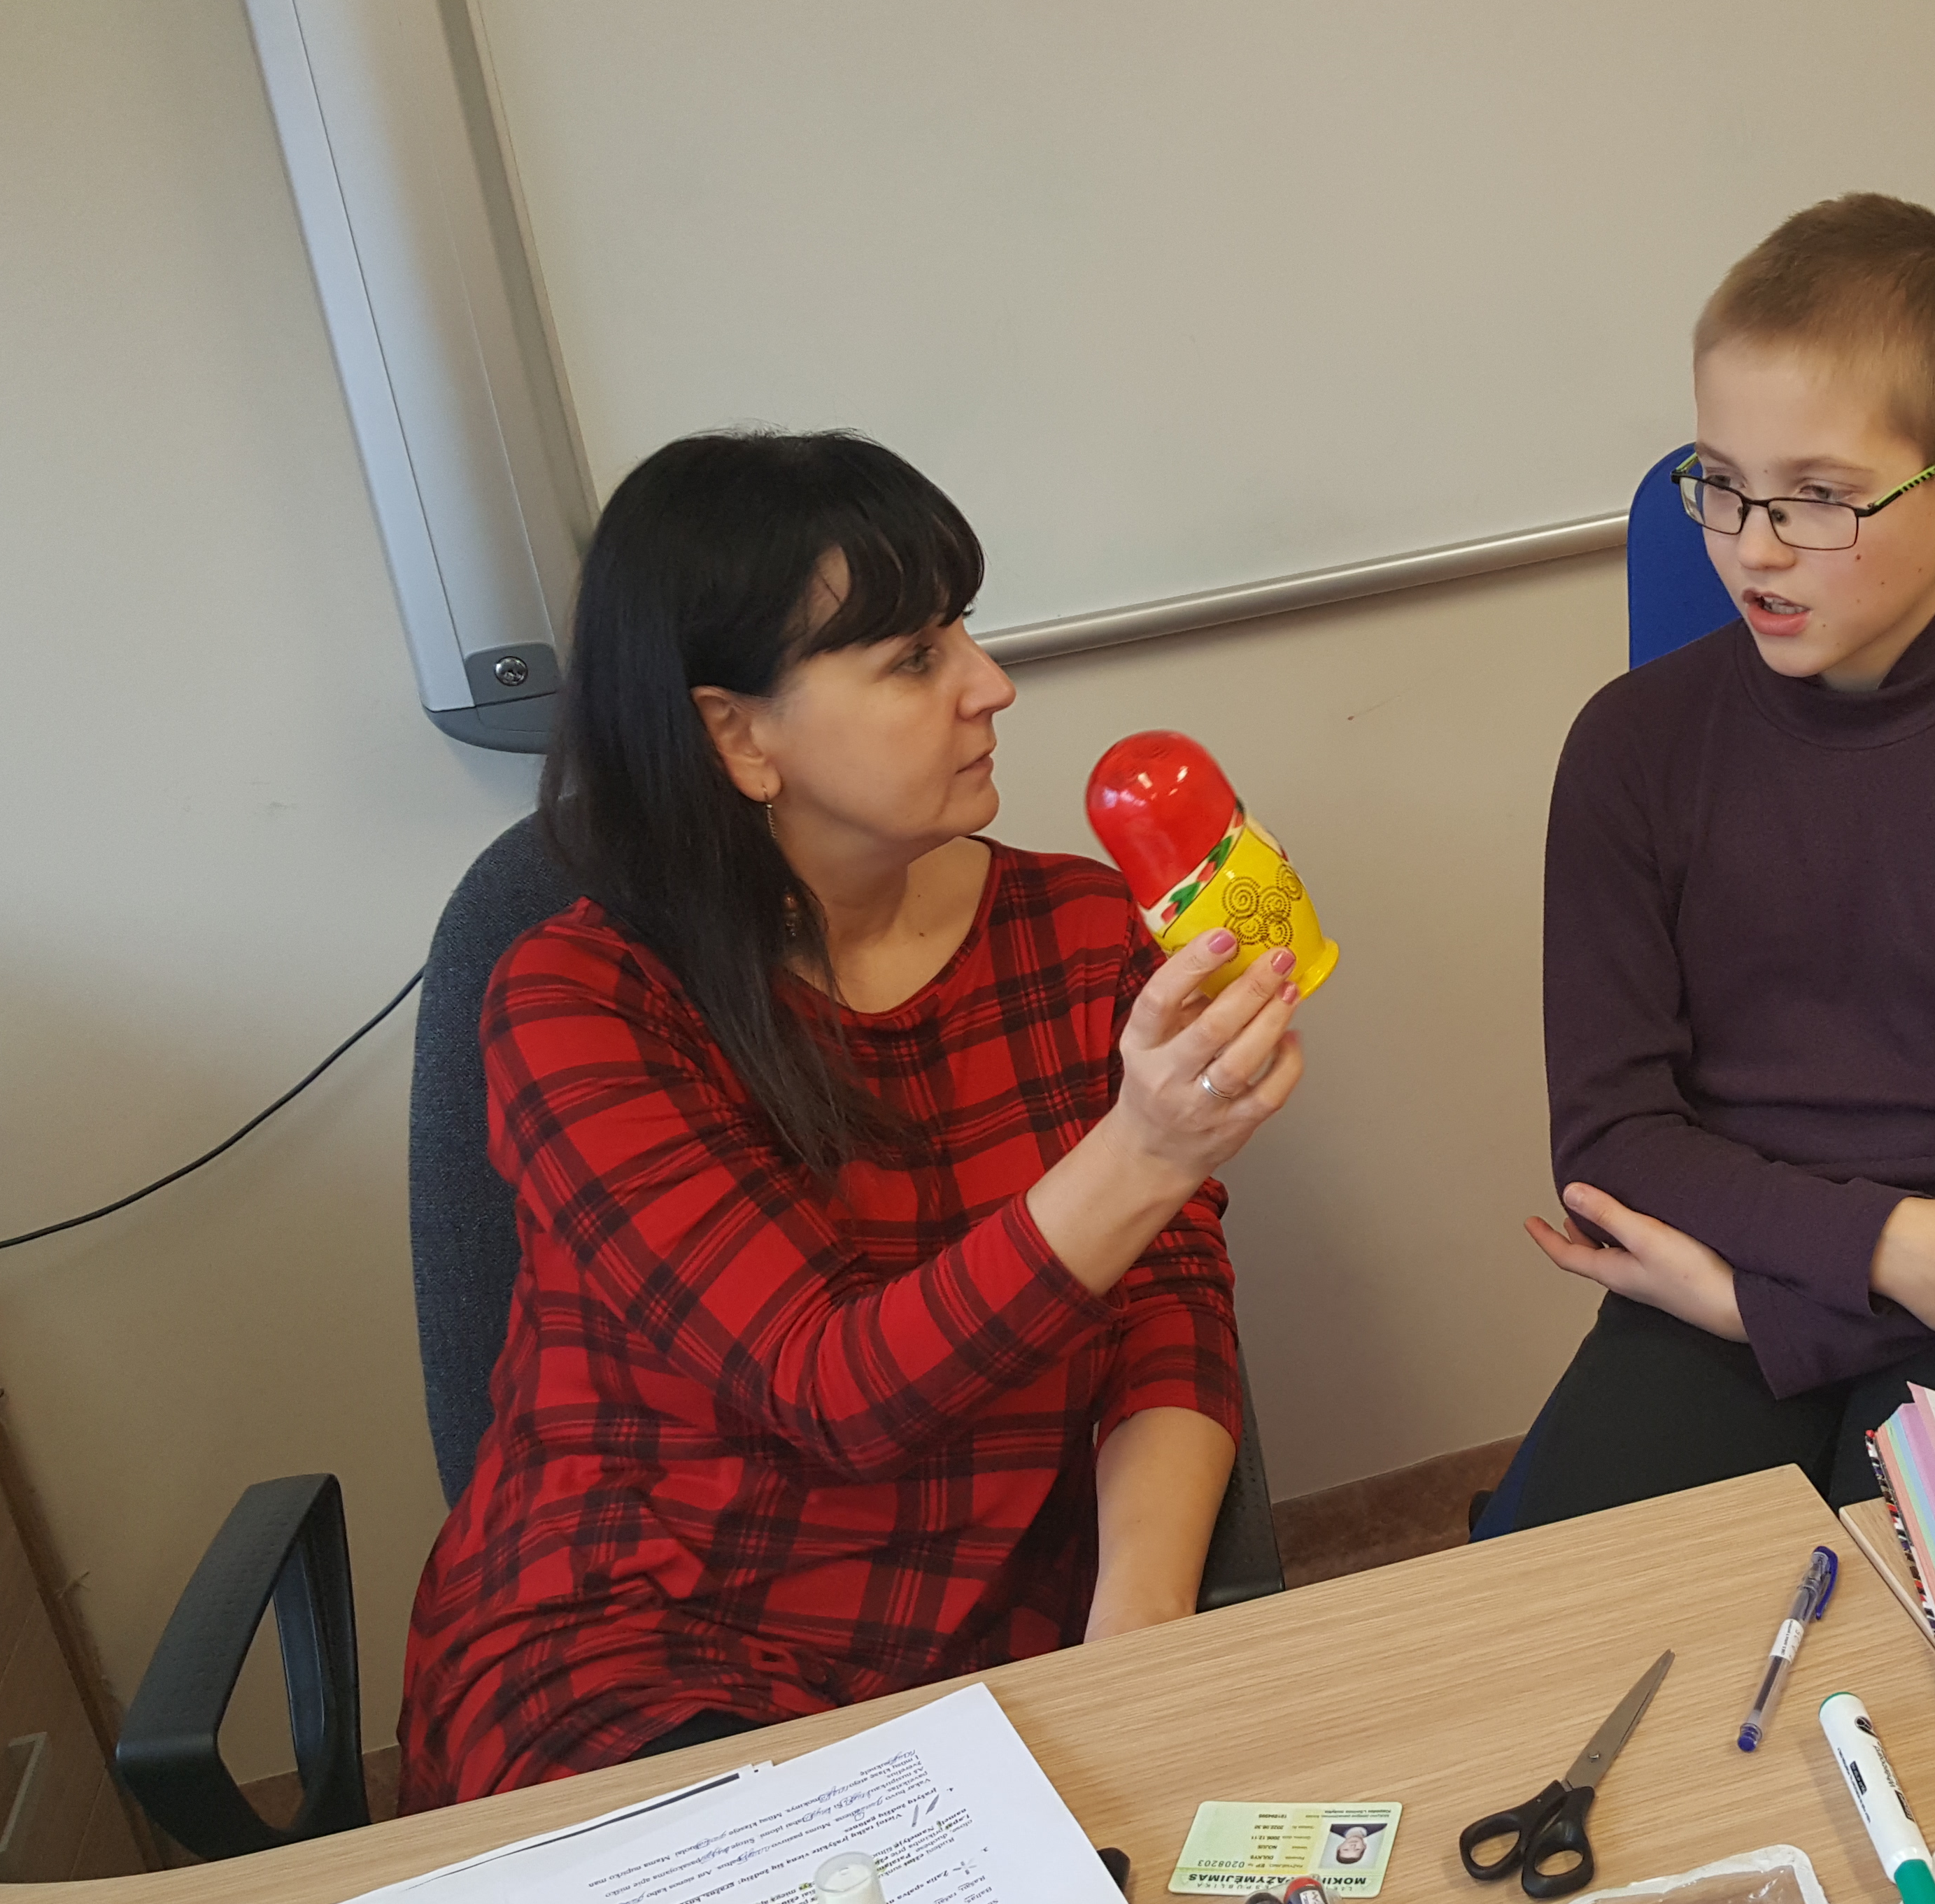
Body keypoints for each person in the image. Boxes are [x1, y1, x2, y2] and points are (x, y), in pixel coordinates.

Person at [398, 430, 1306, 1807]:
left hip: (985, 1615)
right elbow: (830, 1394)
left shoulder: (1075, 932)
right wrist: (1146, 1148)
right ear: (736, 734)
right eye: (914, 658)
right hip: (638, 1642)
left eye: (964, 631)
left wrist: (1141, 1616)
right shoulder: (579, 999)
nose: (991, 685)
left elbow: (1165, 1299)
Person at [1510, 194, 1935, 1523]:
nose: (1754, 546)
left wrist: (1766, 1312)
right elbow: (1611, 1140)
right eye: (1720, 483)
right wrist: (1886, 1253)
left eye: (1820, 498)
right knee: (1585, 1617)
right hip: (1734, 1263)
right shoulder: (1629, 749)